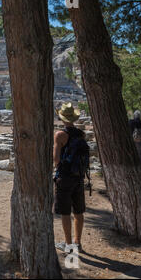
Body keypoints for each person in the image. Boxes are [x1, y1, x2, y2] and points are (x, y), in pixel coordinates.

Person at [53, 103, 89, 254]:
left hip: (65, 177)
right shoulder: (81, 134)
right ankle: (78, 242)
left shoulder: (60, 135)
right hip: (79, 177)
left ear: (61, 118)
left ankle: (68, 245)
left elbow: (56, 159)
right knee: (79, 211)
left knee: (65, 212)